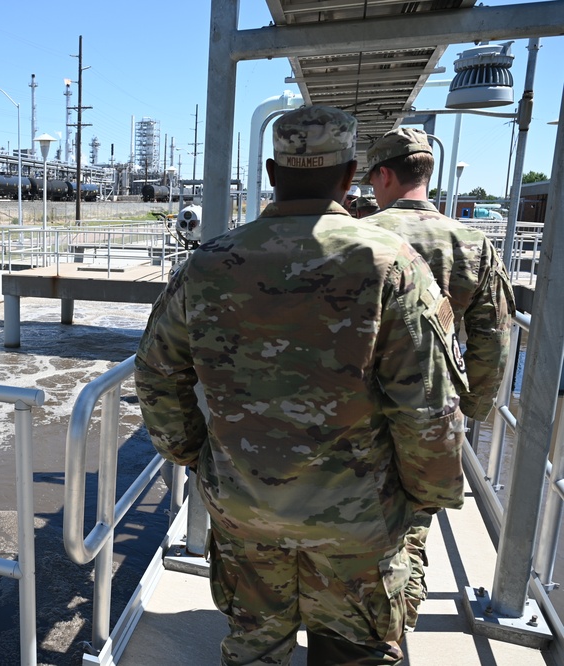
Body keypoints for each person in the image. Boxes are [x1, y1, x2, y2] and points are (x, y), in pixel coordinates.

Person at [134, 105, 467, 665]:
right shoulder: (391, 264)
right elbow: (428, 406)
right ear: (350, 175)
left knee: (255, 649)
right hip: (357, 523)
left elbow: (155, 372)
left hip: (244, 509)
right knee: (355, 653)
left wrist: (194, 455)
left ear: (271, 172)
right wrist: (425, 499)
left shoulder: (208, 263)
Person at [361, 126, 515, 631]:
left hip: (358, 410)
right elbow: (493, 339)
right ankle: (392, 629)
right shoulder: (472, 243)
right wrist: (473, 407)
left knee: (355, 517)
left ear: (384, 175)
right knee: (413, 524)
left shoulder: (360, 235)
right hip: (433, 410)